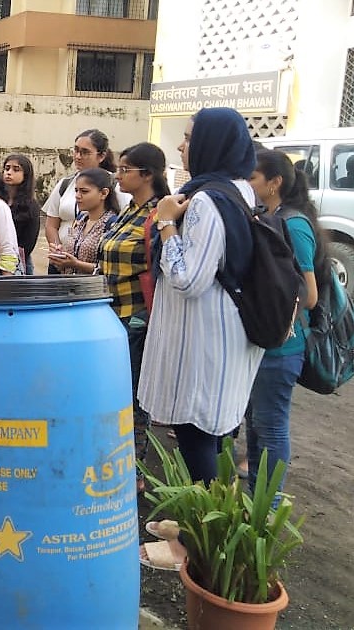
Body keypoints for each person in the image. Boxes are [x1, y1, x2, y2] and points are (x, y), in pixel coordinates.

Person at [138, 107, 265, 485]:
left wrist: (164, 222)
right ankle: (205, 529)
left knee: (195, 431)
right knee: (212, 432)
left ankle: (204, 536)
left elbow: (188, 278)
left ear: (212, 143)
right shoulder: (239, 188)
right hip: (222, 332)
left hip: (202, 337)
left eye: (190, 138)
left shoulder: (206, 201)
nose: (181, 145)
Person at [245, 148, 325, 495]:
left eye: (253, 178)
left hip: (283, 347)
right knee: (256, 426)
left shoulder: (293, 224)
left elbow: (309, 295)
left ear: (274, 183)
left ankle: (268, 506)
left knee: (271, 426)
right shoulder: (269, 216)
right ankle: (254, 501)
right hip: (267, 342)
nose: (248, 184)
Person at [98, 142, 172, 490]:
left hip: (138, 318)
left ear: (148, 174)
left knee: (133, 397)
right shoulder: (129, 209)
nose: (118, 175)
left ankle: (134, 470)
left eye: (125, 169)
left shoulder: (159, 215)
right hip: (114, 315)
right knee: (115, 393)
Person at [43, 129, 130, 273]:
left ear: (101, 156)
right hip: (63, 266)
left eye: (85, 152)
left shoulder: (117, 185)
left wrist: (77, 263)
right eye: (75, 150)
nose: (78, 156)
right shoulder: (65, 183)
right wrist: (59, 251)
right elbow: (51, 224)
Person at [47, 168, 121, 274]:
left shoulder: (113, 224)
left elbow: (114, 268)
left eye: (84, 191)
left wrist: (76, 264)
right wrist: (59, 256)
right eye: (76, 190)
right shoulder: (80, 220)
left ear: (104, 193)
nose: (77, 196)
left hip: (94, 288)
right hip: (70, 287)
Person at [2, 154, 40, 274]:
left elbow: (29, 243)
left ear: (26, 175)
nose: (9, 172)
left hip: (19, 261)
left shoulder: (31, 206)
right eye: (7, 168)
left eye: (16, 169)